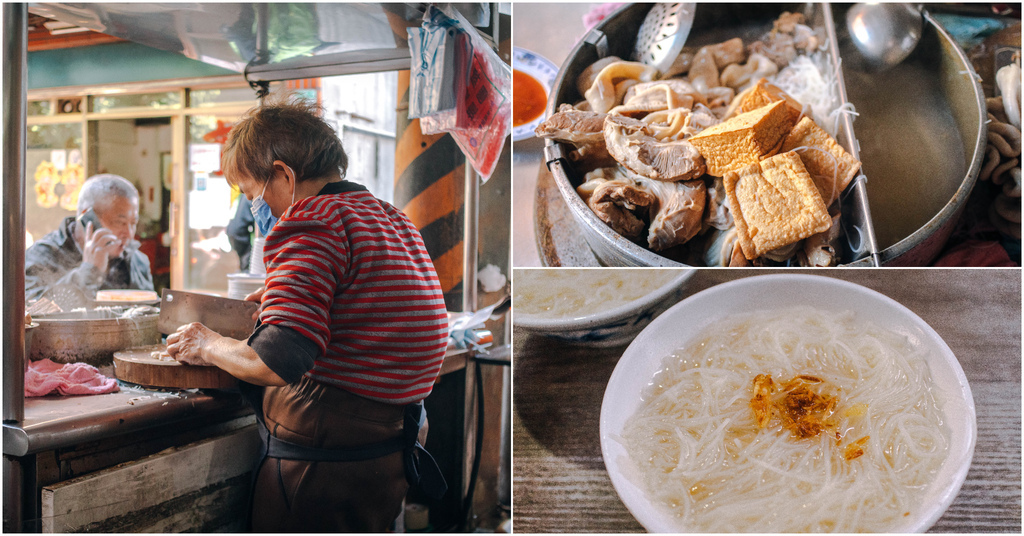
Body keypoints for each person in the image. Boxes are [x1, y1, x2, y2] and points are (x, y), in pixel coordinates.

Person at [165, 95, 449, 532]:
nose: (257, 208)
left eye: (253, 193)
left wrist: (210, 343)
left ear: (283, 175)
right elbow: (366, 299)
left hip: (324, 466)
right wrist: (291, 295)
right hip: (390, 448)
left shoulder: (310, 219)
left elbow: (276, 358)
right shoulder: (388, 217)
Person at [25, 173, 154, 305]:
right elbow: (32, 311)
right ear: (87, 217)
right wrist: (89, 271)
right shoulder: (43, 254)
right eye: (119, 222)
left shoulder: (137, 260)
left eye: (133, 223)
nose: (129, 234)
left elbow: (148, 313)